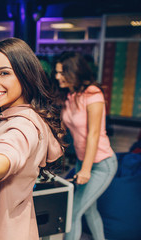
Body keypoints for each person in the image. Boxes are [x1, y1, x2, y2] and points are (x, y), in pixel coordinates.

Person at [0, 37, 65, 240]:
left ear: (26, 75)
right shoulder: (5, 116)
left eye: (4, 73)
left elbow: (7, 154)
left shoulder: (23, 125)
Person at [54, 52, 117, 240]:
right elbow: (62, 130)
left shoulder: (93, 94)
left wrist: (87, 169)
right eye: (57, 72)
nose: (57, 76)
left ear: (74, 71)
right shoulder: (71, 95)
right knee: (89, 211)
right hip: (84, 162)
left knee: (72, 213)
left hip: (102, 164)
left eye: (61, 72)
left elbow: (94, 134)